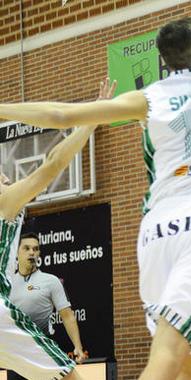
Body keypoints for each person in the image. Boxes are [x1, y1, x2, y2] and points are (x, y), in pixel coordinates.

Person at [0, 1, 191, 378]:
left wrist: (3, 108)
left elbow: (60, 116)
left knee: (185, 360)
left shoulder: (149, 99)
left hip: (156, 230)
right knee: (168, 357)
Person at [0, 79, 112, 380]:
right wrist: (91, 121)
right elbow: (52, 163)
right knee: (68, 375)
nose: (6, 176)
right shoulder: (5, 201)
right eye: (2, 175)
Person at [9, 233, 86, 362]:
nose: (32, 252)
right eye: (26, 248)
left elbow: (67, 316)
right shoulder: (7, 283)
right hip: (17, 355)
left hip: (43, 351)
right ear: (17, 253)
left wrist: (78, 347)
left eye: (35, 249)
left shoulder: (51, 281)